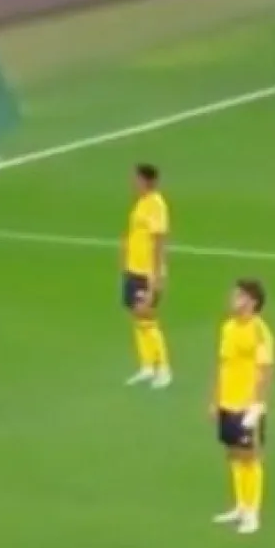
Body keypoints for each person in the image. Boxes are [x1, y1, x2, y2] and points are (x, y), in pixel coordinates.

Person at [211, 278, 274, 535]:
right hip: (227, 401)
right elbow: (223, 365)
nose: (233, 299)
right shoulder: (228, 327)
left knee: (250, 457)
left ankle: (252, 513)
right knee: (233, 453)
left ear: (252, 302)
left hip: (247, 405)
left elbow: (265, 369)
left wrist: (256, 404)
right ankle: (240, 505)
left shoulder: (259, 330)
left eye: (238, 296)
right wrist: (215, 399)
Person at [123, 163, 172, 388]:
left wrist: (158, 273)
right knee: (137, 315)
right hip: (133, 269)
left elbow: (159, 240)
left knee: (148, 317)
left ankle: (164, 368)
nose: (133, 182)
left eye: (136, 179)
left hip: (147, 272)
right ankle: (147, 365)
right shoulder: (140, 203)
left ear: (146, 181)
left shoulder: (156, 205)